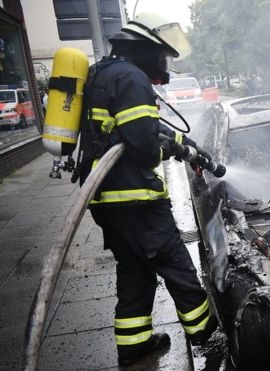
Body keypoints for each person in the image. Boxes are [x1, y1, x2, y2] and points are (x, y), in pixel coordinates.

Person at [76, 12, 220, 367]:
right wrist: (172, 150)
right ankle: (206, 335)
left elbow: (136, 126)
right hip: (136, 198)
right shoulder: (131, 78)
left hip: (108, 200)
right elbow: (142, 144)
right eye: (163, 54)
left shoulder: (104, 73)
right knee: (177, 266)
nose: (165, 62)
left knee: (135, 271)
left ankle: (134, 344)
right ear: (146, 49)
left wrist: (186, 143)